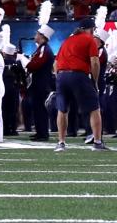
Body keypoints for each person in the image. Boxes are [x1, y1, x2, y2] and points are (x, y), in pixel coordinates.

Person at [54, 17, 108, 151]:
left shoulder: (67, 41)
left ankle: (61, 142)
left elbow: (55, 64)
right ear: (90, 29)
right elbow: (95, 62)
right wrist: (94, 81)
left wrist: (59, 77)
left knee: (62, 109)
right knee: (94, 108)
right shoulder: (89, 40)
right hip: (78, 75)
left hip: (61, 75)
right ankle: (97, 142)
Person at [26, 23, 56, 141]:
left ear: (42, 36)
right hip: (38, 82)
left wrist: (26, 63)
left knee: (40, 108)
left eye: (37, 34)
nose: (35, 35)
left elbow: (37, 64)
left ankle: (43, 133)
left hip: (41, 83)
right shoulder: (41, 48)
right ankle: (40, 131)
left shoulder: (44, 49)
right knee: (37, 108)